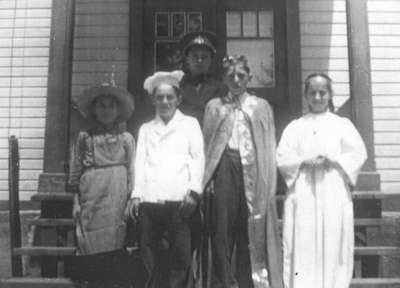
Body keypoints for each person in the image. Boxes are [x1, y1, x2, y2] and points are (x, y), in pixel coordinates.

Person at [276, 73, 367, 288]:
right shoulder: (295, 126)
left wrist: (334, 160)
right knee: (303, 241)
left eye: (322, 92)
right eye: (312, 93)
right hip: (303, 189)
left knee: (333, 239)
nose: (317, 97)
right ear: (306, 96)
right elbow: (282, 156)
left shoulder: (342, 125)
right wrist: (304, 161)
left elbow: (358, 153)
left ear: (330, 95)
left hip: (332, 187)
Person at [202, 55, 283, 288]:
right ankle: (223, 282)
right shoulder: (215, 106)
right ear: (223, 79)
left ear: (250, 77)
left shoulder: (260, 106)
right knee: (222, 229)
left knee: (250, 226)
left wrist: (267, 182)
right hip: (224, 169)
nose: (236, 80)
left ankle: (249, 282)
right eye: (230, 76)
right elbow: (208, 147)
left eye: (241, 75)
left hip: (253, 170)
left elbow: (268, 146)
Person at [127, 70, 205, 288]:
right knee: (149, 251)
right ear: (153, 100)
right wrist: (136, 195)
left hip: (180, 201)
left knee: (180, 256)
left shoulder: (190, 124)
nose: (165, 101)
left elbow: (198, 159)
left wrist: (194, 193)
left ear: (178, 99)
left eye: (170, 97)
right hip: (151, 200)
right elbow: (139, 164)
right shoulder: (145, 129)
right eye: (159, 97)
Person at [68, 83, 135, 288]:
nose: (106, 110)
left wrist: (131, 198)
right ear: (94, 111)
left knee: (115, 240)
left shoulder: (126, 138)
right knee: (90, 240)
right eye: (101, 106)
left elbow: (132, 169)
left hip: (117, 193)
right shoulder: (85, 137)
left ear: (118, 111)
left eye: (111, 106)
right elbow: (76, 170)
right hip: (91, 195)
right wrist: (76, 201)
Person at [179, 31, 226, 125]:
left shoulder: (221, 88)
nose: (199, 60)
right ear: (187, 59)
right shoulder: (177, 85)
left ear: (211, 60)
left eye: (204, 57)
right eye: (195, 56)